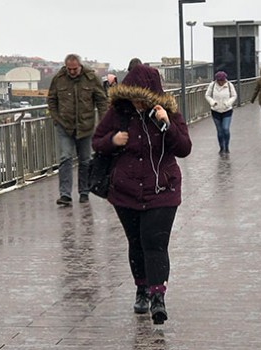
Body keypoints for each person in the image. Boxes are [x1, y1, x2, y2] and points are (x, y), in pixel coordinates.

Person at [91, 64, 192, 325]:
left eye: (142, 97)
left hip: (162, 189)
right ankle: (142, 289)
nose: (137, 102)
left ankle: (158, 297)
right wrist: (112, 141)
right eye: (134, 96)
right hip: (125, 191)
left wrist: (167, 125)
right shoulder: (118, 113)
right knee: (136, 243)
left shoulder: (167, 113)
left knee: (155, 243)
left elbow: (184, 148)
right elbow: (97, 141)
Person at [47, 53, 108, 206]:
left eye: (74, 69)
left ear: (80, 66)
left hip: (85, 126)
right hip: (65, 126)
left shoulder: (91, 78)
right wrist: (56, 118)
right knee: (65, 157)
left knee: (85, 160)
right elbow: (51, 99)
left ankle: (84, 191)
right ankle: (65, 194)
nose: (72, 72)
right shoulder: (59, 79)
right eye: (69, 69)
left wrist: (103, 122)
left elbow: (101, 101)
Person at [205, 71, 237, 154]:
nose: (221, 82)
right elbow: (207, 95)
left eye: (222, 81)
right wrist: (212, 102)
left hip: (227, 110)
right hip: (216, 110)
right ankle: (221, 147)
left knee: (225, 129)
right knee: (219, 131)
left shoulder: (229, 85)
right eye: (219, 81)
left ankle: (227, 146)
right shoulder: (212, 85)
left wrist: (228, 103)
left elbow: (234, 95)